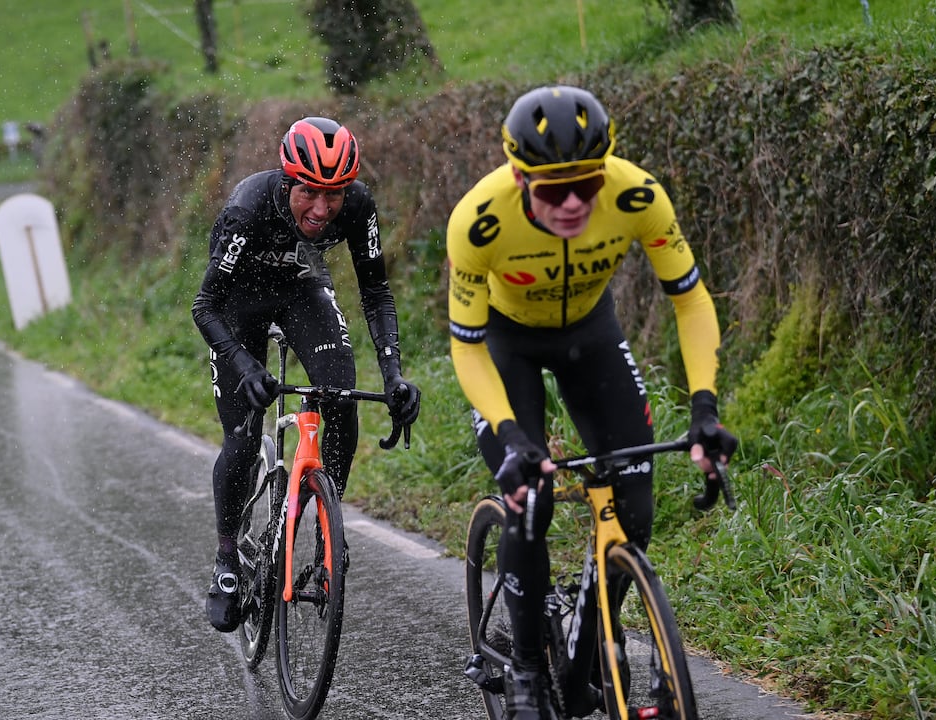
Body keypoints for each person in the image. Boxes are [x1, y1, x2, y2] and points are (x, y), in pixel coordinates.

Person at [445, 86, 739, 719]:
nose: (574, 202)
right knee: (533, 498)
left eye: (587, 183)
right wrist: (511, 433)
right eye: (553, 191)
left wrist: (705, 409)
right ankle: (525, 667)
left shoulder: (637, 194)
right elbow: (466, 348)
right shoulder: (478, 220)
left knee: (634, 507)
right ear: (519, 178)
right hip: (507, 342)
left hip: (590, 333)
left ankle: (589, 615)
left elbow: (690, 301)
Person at [192, 116, 422, 633]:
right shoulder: (248, 208)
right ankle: (227, 557)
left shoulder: (358, 207)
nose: (322, 210)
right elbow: (204, 306)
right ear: (287, 181)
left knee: (339, 396)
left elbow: (376, 293)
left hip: (300, 292)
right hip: (237, 306)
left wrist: (394, 378)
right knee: (245, 436)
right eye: (310, 194)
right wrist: (244, 365)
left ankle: (327, 533)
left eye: (334, 195)